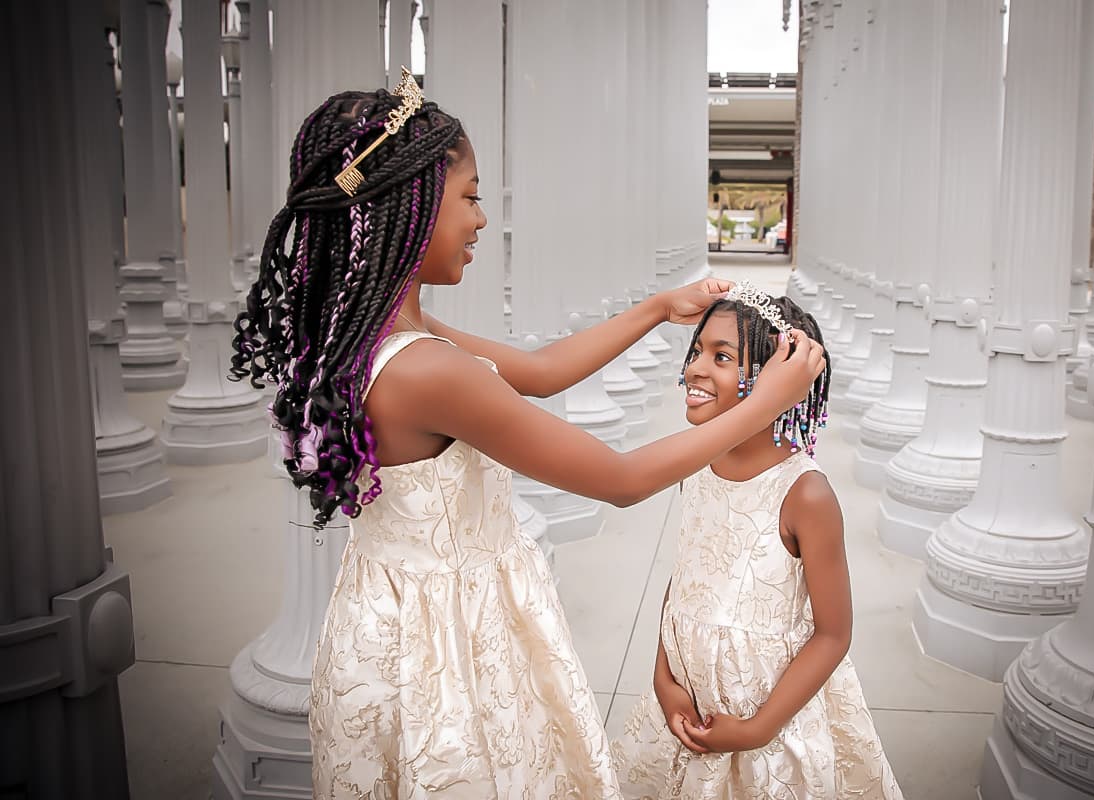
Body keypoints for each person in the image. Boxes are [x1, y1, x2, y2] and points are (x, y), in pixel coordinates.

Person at [230, 74, 826, 799]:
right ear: (409, 204)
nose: (483, 219)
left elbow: (540, 373)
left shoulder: (384, 332)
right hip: (446, 639)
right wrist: (766, 400)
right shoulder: (427, 371)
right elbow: (622, 479)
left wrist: (655, 309)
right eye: (472, 197)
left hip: (386, 611)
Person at [612, 284, 902, 799]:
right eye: (697, 350)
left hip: (770, 723)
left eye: (722, 356)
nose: (696, 368)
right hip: (686, 705)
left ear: (780, 382)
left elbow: (833, 635)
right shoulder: (696, 466)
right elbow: (685, 580)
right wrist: (664, 680)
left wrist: (755, 729)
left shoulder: (804, 494)